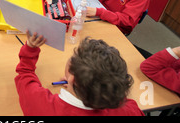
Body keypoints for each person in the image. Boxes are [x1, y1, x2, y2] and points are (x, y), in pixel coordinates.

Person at [14, 32, 144, 115]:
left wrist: (30, 48)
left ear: (72, 79)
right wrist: (94, 90)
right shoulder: (127, 111)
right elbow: (132, 107)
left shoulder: (40, 105)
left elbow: (24, 73)